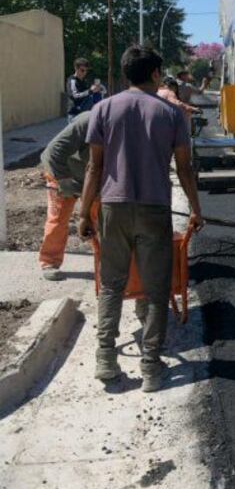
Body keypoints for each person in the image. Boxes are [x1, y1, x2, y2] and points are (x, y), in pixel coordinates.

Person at [78, 45, 204, 392]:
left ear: (123, 74)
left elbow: (94, 167)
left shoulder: (102, 108)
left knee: (112, 285)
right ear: (154, 74)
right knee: (156, 287)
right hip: (154, 209)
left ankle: (105, 358)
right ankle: (151, 368)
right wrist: (195, 208)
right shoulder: (171, 114)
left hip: (112, 210)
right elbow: (184, 168)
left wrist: (82, 213)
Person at [38, 111, 96, 281]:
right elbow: (51, 153)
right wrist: (65, 182)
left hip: (91, 179)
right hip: (63, 173)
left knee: (101, 221)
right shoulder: (87, 122)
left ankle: (105, 263)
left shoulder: (127, 128)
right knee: (58, 219)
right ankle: (49, 261)